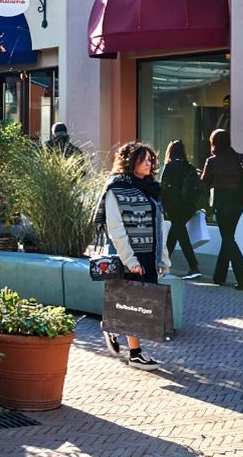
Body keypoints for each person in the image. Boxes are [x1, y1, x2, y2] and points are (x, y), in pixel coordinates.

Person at [100, 140, 170, 370]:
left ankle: (113, 328)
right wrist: (130, 260)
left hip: (149, 254)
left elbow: (158, 226)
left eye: (152, 159)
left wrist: (163, 258)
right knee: (135, 304)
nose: (150, 163)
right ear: (132, 161)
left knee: (143, 303)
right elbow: (115, 227)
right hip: (128, 255)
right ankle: (136, 354)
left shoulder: (151, 189)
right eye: (145, 159)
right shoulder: (116, 188)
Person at [200, 128, 243, 291]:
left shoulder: (212, 161)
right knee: (228, 237)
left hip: (221, 203)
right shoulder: (240, 158)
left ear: (214, 143)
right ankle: (219, 276)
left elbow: (204, 181)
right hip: (238, 202)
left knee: (227, 239)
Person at [159, 140, 203, 281]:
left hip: (175, 206)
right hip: (189, 206)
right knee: (175, 233)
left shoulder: (170, 166)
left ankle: (194, 267)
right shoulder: (189, 167)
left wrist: (162, 206)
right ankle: (162, 264)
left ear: (170, 151)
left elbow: (164, 188)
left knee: (181, 235)